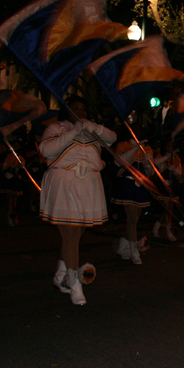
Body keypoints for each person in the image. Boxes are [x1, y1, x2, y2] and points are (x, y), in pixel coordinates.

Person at [39, 97, 116, 305]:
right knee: (71, 233)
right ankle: (74, 283)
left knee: (77, 232)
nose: (79, 111)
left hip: (89, 183)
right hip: (65, 181)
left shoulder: (93, 131)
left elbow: (112, 137)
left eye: (83, 108)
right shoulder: (56, 127)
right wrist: (73, 131)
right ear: (66, 111)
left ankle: (61, 274)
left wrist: (93, 127)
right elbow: (46, 151)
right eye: (74, 108)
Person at [111, 127, 154, 265]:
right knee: (131, 219)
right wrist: (135, 148)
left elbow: (150, 172)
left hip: (140, 186)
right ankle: (134, 252)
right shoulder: (123, 145)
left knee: (134, 220)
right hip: (127, 183)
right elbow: (118, 162)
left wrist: (148, 162)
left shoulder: (147, 149)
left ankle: (123, 247)